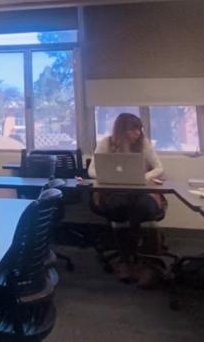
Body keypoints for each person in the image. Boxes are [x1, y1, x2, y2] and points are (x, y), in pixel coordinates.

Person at [88, 112, 166, 287]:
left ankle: (149, 265)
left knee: (146, 208)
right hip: (116, 192)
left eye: (139, 129)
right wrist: (110, 177)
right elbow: (92, 171)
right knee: (118, 207)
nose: (138, 133)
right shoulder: (106, 143)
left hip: (141, 191)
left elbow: (159, 168)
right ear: (122, 130)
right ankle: (125, 260)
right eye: (133, 129)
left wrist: (142, 177)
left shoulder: (143, 144)